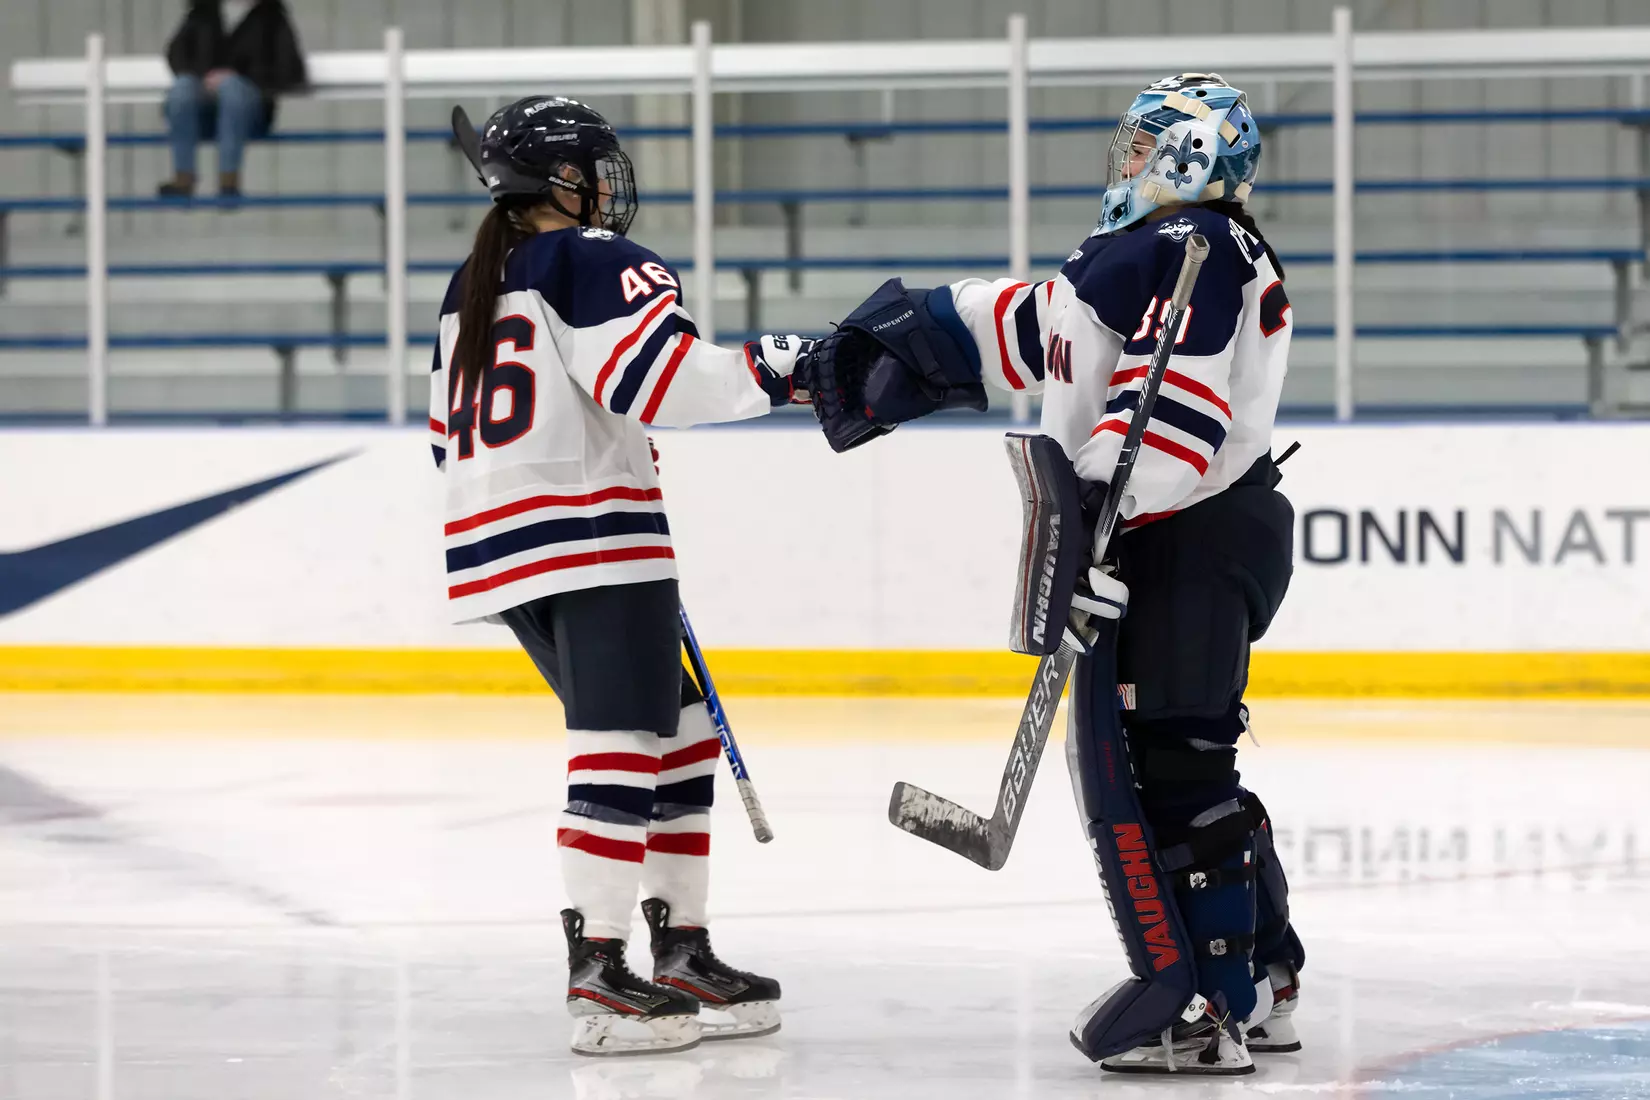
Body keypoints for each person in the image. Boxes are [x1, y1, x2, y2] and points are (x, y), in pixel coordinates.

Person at [807, 73, 1305, 1074]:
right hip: (1186, 528)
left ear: (1186, 155)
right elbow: (1051, 326)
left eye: (1139, 144)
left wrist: (1097, 527)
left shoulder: (1195, 249)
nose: (1123, 160)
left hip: (1186, 532)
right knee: (1189, 757)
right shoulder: (1161, 251)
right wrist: (910, 334)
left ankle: (1208, 1006)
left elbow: (1173, 399)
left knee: (1174, 768)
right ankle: (1264, 971)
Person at [430, 95, 808, 1057]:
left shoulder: (477, 279)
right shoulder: (590, 261)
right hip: (596, 542)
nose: (607, 183)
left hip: (510, 549)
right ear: (559, 178)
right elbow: (662, 383)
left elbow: (449, 440)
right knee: (622, 745)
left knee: (674, 732)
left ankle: (679, 949)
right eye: (595, 166)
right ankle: (598, 973)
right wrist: (783, 367)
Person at [158, 0, 307, 199]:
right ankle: (183, 178)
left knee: (232, 88)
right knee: (183, 87)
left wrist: (237, 76)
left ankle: (228, 181)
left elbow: (291, 70)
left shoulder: (272, 16)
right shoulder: (202, 11)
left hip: (250, 111)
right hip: (204, 109)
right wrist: (204, 77)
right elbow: (175, 53)